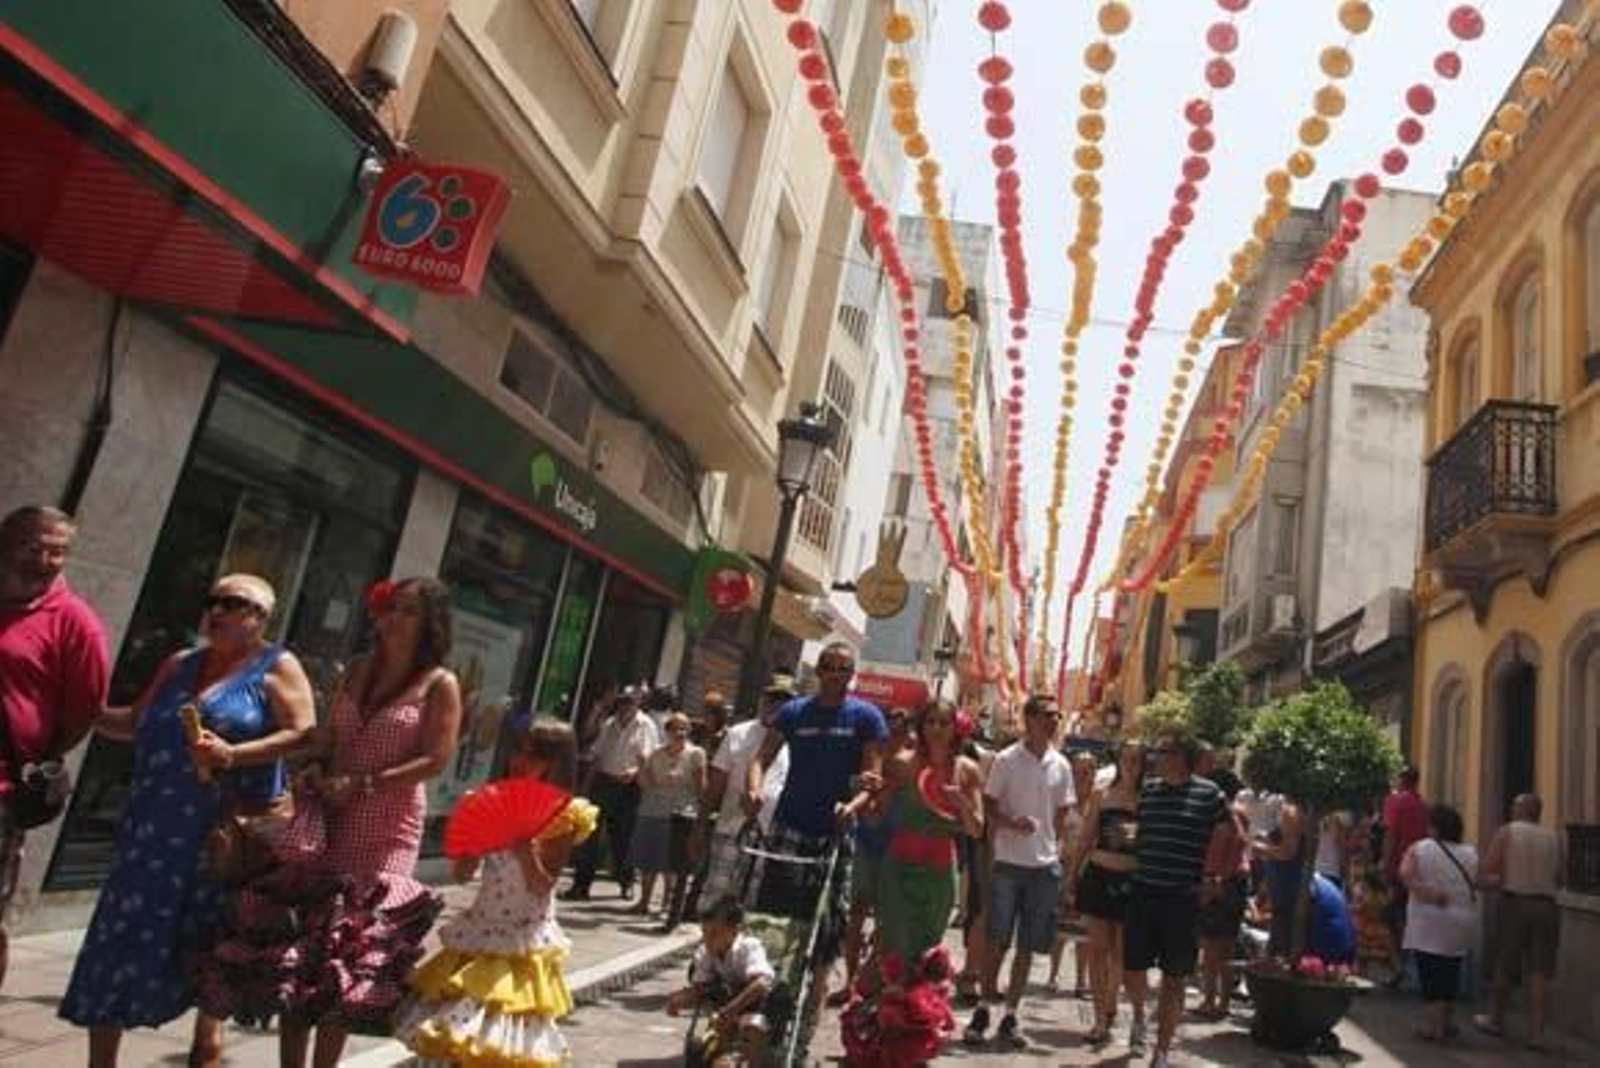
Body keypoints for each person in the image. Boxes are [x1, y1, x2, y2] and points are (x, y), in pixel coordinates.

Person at [198, 576, 463, 1068]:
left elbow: (434, 760)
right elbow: (327, 736)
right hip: (326, 820)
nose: (392, 619)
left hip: (385, 827)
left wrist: (364, 783)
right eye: (389, 608)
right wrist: (315, 764)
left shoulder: (439, 684)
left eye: (407, 611)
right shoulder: (358, 669)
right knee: (301, 954)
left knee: (347, 953)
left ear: (429, 623)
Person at [61, 574, 314, 1068]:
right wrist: (74, 703)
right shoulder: (180, 663)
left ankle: (207, 1044)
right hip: (149, 834)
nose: (217, 609)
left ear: (261, 618)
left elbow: (304, 733)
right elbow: (133, 723)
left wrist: (234, 754)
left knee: (209, 954)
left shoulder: (276, 665)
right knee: (118, 941)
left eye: (234, 603)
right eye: (212, 600)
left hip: (216, 842)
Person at [397, 717, 597, 1066]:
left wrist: (525, 849)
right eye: (517, 752)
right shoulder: (487, 801)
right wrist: (469, 852)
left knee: (500, 1035)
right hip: (480, 931)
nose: (520, 762)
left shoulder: (564, 815)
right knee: (454, 1033)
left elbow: (543, 885)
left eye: (534, 757)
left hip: (522, 940)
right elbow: (462, 875)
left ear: (555, 763)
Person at [0, 506, 109, 990]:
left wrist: (37, 756)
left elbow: (83, 709)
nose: (45, 559)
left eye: (58, 551)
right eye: (34, 546)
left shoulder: (75, 623)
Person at [746, 643, 887, 1005]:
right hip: (789, 826)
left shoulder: (865, 717)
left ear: (852, 675)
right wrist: (754, 789)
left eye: (843, 669)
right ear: (818, 671)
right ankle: (769, 987)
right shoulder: (794, 712)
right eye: (829, 667)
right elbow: (761, 758)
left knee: (827, 921)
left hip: (835, 833)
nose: (835, 675)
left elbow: (873, 778)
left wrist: (852, 806)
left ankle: (816, 993)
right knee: (774, 913)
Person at [964, 694, 1074, 1051]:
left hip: (1043, 868)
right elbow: (990, 804)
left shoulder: (1061, 765)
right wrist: (1011, 823)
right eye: (1046, 715)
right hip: (1009, 865)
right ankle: (983, 1009)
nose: (1054, 721)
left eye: (1057, 715)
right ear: (1029, 718)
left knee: (1028, 947)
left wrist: (1055, 852)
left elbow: (1061, 813)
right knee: (997, 941)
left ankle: (1011, 1015)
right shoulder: (1007, 760)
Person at [1121, 731, 1233, 1068]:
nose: (1155, 756)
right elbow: (1138, 830)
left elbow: (1234, 835)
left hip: (1182, 899)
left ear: (1181, 756)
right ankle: (1140, 1015)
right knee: (1132, 969)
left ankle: (1162, 1052)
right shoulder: (1150, 790)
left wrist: (1217, 878)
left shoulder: (1209, 793)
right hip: (1143, 891)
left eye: (1163, 751)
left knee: (1175, 976)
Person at [693, 676, 794, 911]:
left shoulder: (795, 741)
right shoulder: (738, 734)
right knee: (716, 898)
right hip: (731, 830)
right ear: (761, 701)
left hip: (769, 837)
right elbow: (715, 785)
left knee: (750, 905)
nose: (776, 706)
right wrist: (699, 827)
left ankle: (735, 948)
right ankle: (710, 945)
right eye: (772, 699)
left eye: (784, 702)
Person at [839, 704, 916, 1001]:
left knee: (887, 919)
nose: (892, 735)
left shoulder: (910, 761)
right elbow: (856, 791)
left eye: (899, 729)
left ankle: (873, 979)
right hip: (866, 841)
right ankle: (850, 981)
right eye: (889, 728)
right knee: (856, 912)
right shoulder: (871, 756)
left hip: (895, 847)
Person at [1475, 792, 1563, 1051]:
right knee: (1539, 972)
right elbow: (1560, 878)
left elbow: (1488, 869)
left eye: (1514, 806)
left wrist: (1497, 880)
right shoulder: (1553, 836)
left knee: (1505, 964)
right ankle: (1537, 1034)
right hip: (1547, 907)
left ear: (1519, 809)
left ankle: (1496, 1020)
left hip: (1515, 903)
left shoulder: (1508, 832)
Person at [1073, 741, 1144, 1045]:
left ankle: (1127, 1012)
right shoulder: (1102, 795)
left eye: (1137, 760)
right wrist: (1071, 875)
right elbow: (1088, 836)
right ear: (1118, 760)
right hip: (1100, 876)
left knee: (1124, 956)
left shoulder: (1150, 799)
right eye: (1127, 758)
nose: (1132, 764)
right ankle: (1101, 1018)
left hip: (1131, 882)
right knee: (1097, 950)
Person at [567, 688, 660, 900]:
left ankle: (625, 881)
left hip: (628, 788)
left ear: (636, 704)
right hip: (604, 782)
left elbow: (649, 759)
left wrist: (635, 773)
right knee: (590, 834)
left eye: (629, 703)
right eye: (621, 703)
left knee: (622, 838)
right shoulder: (609, 724)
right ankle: (581, 885)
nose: (624, 707)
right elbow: (597, 756)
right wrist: (585, 789)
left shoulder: (646, 726)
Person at [668, 896, 778, 1067]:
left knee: (753, 1027)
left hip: (755, 1001)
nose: (708, 940)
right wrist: (681, 1000)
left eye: (715, 934)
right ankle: (725, 1056)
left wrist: (732, 1010)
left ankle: (749, 1061)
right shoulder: (705, 952)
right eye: (704, 933)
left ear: (735, 931)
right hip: (725, 1002)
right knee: (717, 1029)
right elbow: (699, 987)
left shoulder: (749, 947)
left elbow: (761, 984)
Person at [1400, 803, 1478, 1044]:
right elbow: (1480, 879)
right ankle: (1446, 1023)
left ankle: (1433, 1027)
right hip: (1462, 920)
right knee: (1450, 971)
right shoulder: (1471, 852)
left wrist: (1427, 893)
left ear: (1434, 827)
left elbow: (1404, 873)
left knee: (1430, 972)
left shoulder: (1420, 847)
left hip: (1429, 919)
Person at [631, 711, 706, 919]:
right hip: (652, 810)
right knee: (649, 859)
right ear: (667, 731)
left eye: (684, 728)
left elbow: (702, 788)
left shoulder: (696, 754)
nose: (680, 733)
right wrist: (640, 767)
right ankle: (644, 901)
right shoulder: (655, 754)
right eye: (675, 728)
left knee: (672, 863)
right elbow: (646, 785)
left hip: (680, 814)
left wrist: (701, 816)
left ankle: (667, 904)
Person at [1196, 767, 1250, 1020]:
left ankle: (1211, 1001)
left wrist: (1217, 879)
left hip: (1222, 883)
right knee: (1224, 947)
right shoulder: (1239, 812)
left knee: (1213, 947)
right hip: (1234, 881)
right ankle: (1221, 1001)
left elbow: (1237, 841)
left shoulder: (1225, 813)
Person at [1048, 750, 1098, 996]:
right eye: (1078, 770)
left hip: (1090, 874)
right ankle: (1053, 975)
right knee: (1060, 929)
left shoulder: (1099, 804)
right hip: (1064, 870)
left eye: (1088, 770)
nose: (1083, 775)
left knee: (1086, 932)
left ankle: (1081, 980)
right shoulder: (1064, 802)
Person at [1381, 765, 1429, 983]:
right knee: (1409, 918)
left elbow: (1391, 835)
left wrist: (1385, 864)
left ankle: (1400, 965)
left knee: (1387, 916)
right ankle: (1407, 965)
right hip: (1419, 869)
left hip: (1399, 866)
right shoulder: (1423, 805)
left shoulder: (1396, 802)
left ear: (1401, 780)